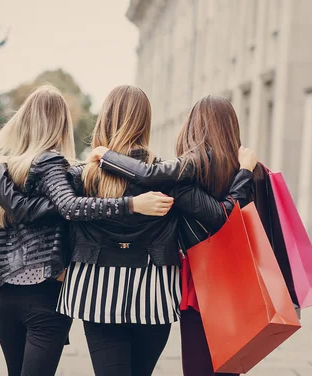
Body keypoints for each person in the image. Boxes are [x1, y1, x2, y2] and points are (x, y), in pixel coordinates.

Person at [0, 87, 255, 376]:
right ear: (146, 123)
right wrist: (242, 174)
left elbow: (31, 212)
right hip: (153, 295)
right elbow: (218, 217)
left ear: (103, 119)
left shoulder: (80, 177)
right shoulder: (169, 176)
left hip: (97, 294)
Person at [0, 85, 174, 376]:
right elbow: (71, 208)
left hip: (4, 296)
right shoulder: (63, 172)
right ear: (61, 125)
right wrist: (131, 204)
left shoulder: (4, 174)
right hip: (48, 296)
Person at [87, 95, 258, 376]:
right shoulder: (251, 169)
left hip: (203, 279)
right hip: (242, 280)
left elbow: (149, 174)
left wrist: (106, 155)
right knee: (228, 367)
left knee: (201, 365)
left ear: (194, 127)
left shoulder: (193, 164)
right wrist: (245, 172)